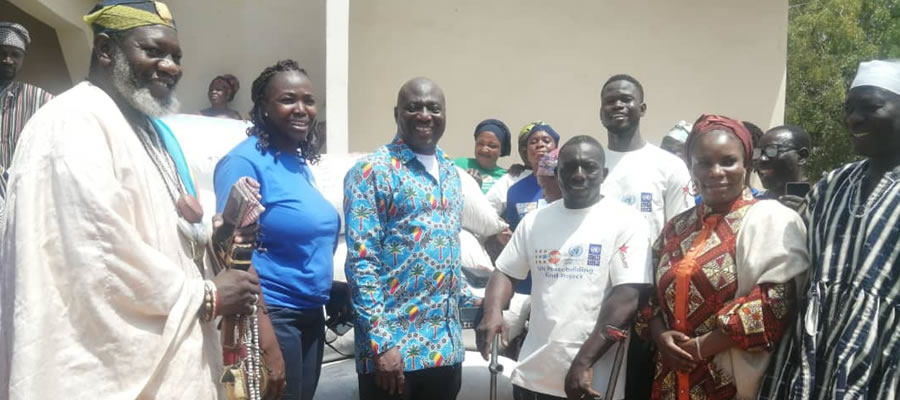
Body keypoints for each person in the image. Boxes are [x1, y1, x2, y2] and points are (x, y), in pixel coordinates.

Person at [0, 2, 284, 398]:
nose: (170, 66)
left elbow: (157, 232)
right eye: (153, 51)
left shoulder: (146, 128)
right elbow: (94, 258)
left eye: (176, 56)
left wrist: (214, 236)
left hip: (174, 362)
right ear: (105, 50)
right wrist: (207, 295)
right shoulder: (72, 122)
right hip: (104, 372)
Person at [636, 114, 809, 400]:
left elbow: (776, 302)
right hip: (670, 378)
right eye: (704, 163)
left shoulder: (773, 219)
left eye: (728, 161)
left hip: (731, 382)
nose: (716, 172)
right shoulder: (676, 227)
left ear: (747, 165)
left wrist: (700, 347)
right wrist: (660, 336)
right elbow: (647, 291)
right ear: (691, 167)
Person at [758, 59, 900, 400]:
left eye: (870, 107)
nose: (853, 118)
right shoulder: (835, 183)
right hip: (813, 346)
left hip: (883, 353)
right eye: (849, 109)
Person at [477, 136, 651, 400]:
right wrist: (492, 312)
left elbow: (627, 297)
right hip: (533, 374)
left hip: (591, 379)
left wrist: (583, 362)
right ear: (557, 173)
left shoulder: (627, 222)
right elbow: (505, 272)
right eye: (570, 167)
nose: (579, 175)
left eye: (589, 167)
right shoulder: (535, 221)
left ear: (604, 174)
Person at [343, 77, 478, 400]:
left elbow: (446, 251)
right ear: (397, 113)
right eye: (414, 107)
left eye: (434, 108)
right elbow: (362, 263)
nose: (424, 115)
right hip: (394, 353)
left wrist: (478, 308)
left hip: (445, 348)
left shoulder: (450, 172)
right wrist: (381, 344)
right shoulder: (372, 171)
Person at [214, 60, 339, 400]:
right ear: (263, 107)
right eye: (287, 99)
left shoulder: (296, 163)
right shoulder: (244, 162)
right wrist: (266, 337)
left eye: (308, 100)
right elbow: (231, 251)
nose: (301, 108)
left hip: (310, 315)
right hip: (274, 315)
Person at [597, 74, 693, 400]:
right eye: (610, 100)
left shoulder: (669, 166)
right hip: (595, 299)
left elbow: (681, 239)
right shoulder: (589, 165)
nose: (618, 105)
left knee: (637, 387)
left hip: (647, 306)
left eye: (626, 99)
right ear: (600, 111)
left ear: (642, 108)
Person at [0, 22, 53, 197]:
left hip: (19, 194)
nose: (8, 60)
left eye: (15, 55)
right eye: (2, 53)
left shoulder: (37, 97)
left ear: (23, 59)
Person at [503, 122, 561, 230]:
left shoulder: (566, 185)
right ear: (526, 153)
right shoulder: (515, 191)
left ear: (556, 149)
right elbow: (513, 231)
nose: (540, 145)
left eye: (546, 141)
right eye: (533, 142)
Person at [754, 124, 811, 209]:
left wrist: (809, 214)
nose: (761, 159)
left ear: (801, 156)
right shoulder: (750, 207)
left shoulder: (823, 208)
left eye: (772, 151)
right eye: (757, 153)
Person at [455, 118, 511, 193]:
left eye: (492, 146)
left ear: (501, 150)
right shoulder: (459, 165)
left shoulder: (506, 177)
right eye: (480, 144)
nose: (484, 149)